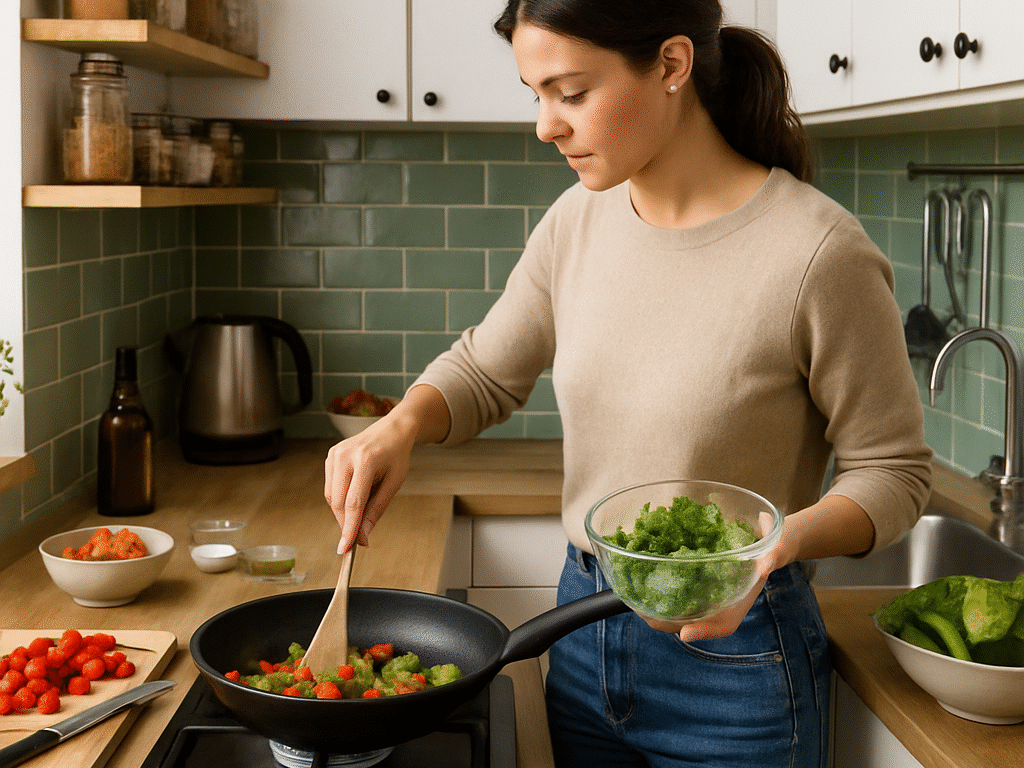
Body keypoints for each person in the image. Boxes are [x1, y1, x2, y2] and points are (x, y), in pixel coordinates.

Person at [324, 1, 932, 765]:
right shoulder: (576, 221)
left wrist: (771, 551)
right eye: (534, 94)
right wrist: (400, 425)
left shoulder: (818, 253)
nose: (546, 124)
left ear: (673, 66)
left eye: (570, 93)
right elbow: (485, 370)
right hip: (581, 634)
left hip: (735, 660)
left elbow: (895, 473)